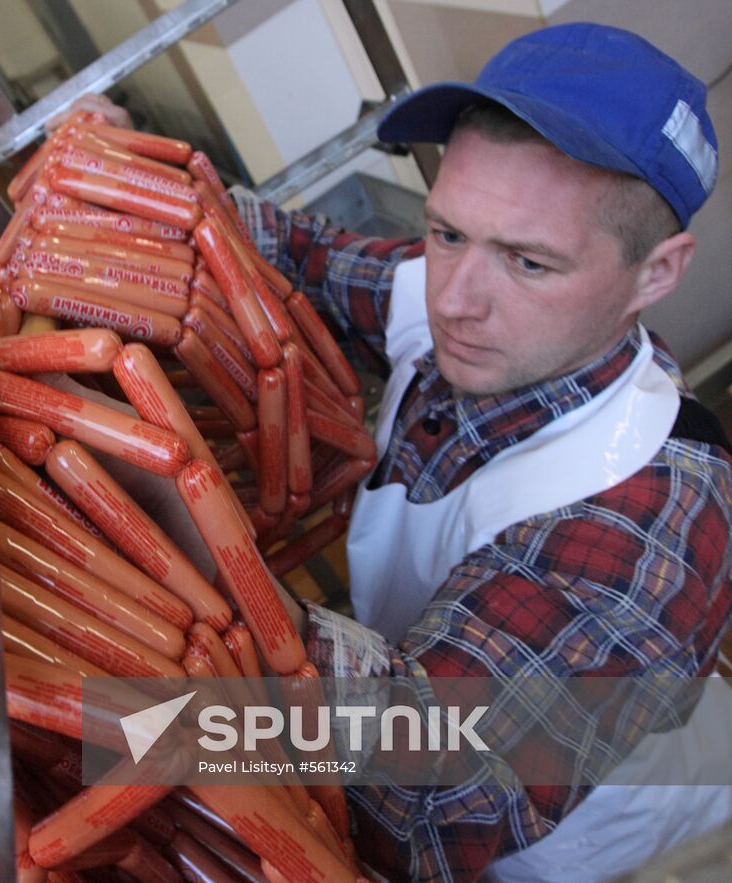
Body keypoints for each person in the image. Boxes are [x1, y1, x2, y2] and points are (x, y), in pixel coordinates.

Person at [66, 21, 729, 882]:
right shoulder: (454, 297)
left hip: (606, 846)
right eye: (449, 231)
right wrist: (142, 175)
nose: (457, 299)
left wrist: (154, 514)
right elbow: (302, 254)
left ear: (658, 273)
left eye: (529, 262)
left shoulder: (648, 514)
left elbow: (417, 808)